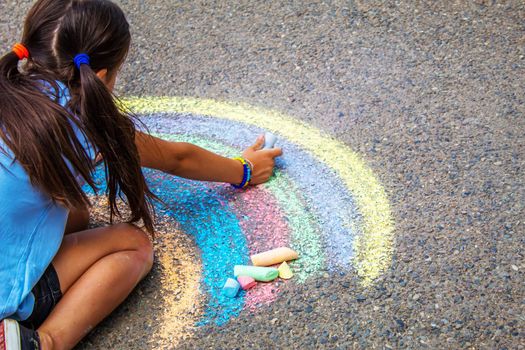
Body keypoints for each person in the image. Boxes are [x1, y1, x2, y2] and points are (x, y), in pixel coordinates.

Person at [0, 1, 283, 349]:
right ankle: (40, 343)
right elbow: (178, 158)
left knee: (74, 211)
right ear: (100, 76)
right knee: (133, 246)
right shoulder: (82, 126)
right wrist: (244, 170)